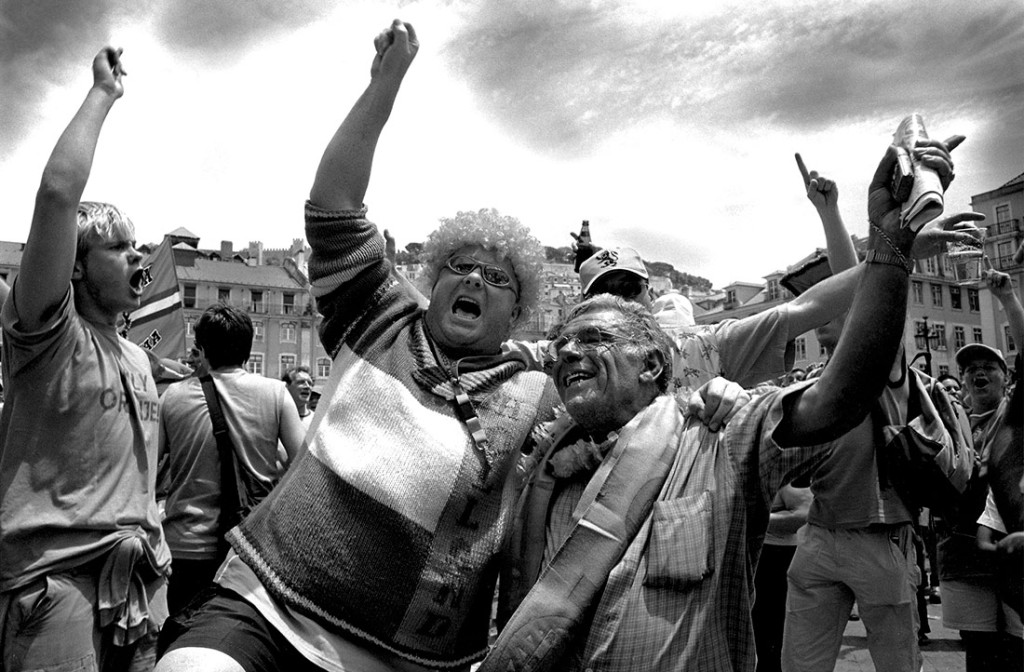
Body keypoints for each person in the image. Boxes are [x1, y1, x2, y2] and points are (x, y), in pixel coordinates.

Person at [156, 21, 560, 671]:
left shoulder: (540, 391)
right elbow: (333, 205)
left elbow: (638, 377)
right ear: (433, 279)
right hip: (267, 603)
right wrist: (385, 83)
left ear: (517, 311)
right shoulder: (382, 314)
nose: (474, 280)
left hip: (402, 656)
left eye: (497, 277)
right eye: (459, 266)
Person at [484, 137, 960, 671]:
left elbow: (831, 371)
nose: (576, 349)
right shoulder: (550, 441)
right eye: (596, 300)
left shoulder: (715, 414)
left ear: (653, 359)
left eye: (626, 293)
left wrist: (891, 252)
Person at [0, 47, 171, 670]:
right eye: (119, 248)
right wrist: (103, 93)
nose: (139, 258)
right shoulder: (48, 334)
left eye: (138, 246)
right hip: (57, 585)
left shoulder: (138, 358)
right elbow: (56, 196)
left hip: (139, 586)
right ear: (74, 267)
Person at [157, 304, 305, 617]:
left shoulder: (172, 397)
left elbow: (145, 471)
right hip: (250, 549)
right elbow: (304, 468)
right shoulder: (277, 394)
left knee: (182, 636)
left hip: (185, 548)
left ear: (201, 350)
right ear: (248, 350)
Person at [938, 264, 1024, 671]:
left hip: (1013, 550)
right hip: (963, 555)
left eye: (988, 366)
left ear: (1006, 379)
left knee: (1016, 651)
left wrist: (1007, 298)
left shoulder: (1015, 416)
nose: (978, 372)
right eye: (970, 368)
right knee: (979, 653)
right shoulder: (949, 424)